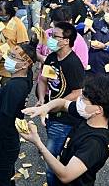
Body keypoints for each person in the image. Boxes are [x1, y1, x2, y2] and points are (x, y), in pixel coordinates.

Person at [20, 75, 109, 185]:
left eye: (84, 99)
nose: (79, 100)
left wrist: (37, 142)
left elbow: (66, 175)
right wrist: (45, 108)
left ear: (98, 109)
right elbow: (63, 103)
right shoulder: (89, 115)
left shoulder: (95, 143)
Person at [0, 41, 37, 186]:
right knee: (7, 177)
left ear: (24, 65)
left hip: (3, 145)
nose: (9, 58)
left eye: (13, 57)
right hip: (9, 142)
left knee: (0, 179)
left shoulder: (13, 87)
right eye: (10, 54)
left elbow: (2, 123)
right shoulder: (25, 79)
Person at [37, 21, 85, 186]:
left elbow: (77, 93)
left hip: (64, 119)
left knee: (51, 162)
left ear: (66, 40)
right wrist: (43, 99)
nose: (50, 39)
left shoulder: (73, 64)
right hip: (50, 113)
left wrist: (55, 104)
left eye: (54, 36)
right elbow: (43, 78)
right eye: (50, 35)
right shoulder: (51, 57)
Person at [0, 0, 29, 81]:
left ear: (10, 13)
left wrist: (4, 56)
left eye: (3, 15)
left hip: (8, 68)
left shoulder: (18, 24)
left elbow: (23, 47)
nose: (0, 17)